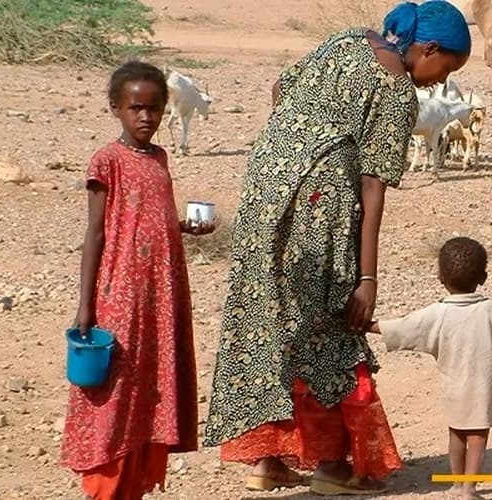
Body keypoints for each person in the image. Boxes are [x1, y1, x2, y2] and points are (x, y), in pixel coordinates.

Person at [202, 0, 472, 496]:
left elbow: (281, 88)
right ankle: (331, 464)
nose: (437, 81)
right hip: (319, 207)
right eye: (445, 68)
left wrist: (299, 140)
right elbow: (373, 187)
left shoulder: (346, 41)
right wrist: (366, 279)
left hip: (266, 187)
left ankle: (266, 460)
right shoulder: (396, 90)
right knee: (330, 324)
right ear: (429, 48)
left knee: (271, 317)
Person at [59, 60, 214, 500]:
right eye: (135, 108)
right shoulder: (107, 160)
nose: (145, 117)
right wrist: (85, 303)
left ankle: (134, 486)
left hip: (161, 294)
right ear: (116, 108)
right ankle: (107, 487)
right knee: (117, 388)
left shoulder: (160, 158)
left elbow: (147, 216)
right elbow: (97, 233)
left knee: (151, 382)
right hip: (120, 293)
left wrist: (183, 227)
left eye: (154, 109)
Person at [366, 237, 492, 500]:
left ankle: (455, 483)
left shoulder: (437, 314)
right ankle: (469, 489)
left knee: (456, 432)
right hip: (481, 390)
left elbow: (403, 327)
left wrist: (367, 325)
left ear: (440, 277)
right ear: (484, 277)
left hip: (452, 390)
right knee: (477, 435)